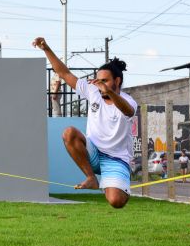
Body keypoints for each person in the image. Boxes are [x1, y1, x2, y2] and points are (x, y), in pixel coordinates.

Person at [33, 37, 137, 208]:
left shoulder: (128, 101)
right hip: (94, 152)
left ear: (117, 81)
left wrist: (110, 93)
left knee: (116, 202)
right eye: (99, 80)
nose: (100, 85)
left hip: (116, 159)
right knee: (69, 133)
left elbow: (128, 111)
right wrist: (46, 49)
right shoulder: (93, 91)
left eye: (105, 81)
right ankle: (91, 177)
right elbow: (64, 73)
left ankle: (118, 184)